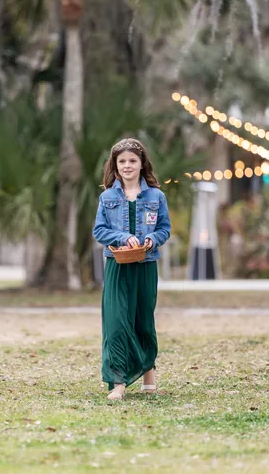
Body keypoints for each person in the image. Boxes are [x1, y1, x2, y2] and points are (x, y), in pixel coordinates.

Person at [92, 138, 172, 401]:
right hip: (117, 265)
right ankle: (118, 382)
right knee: (116, 323)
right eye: (122, 161)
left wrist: (153, 239)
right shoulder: (107, 197)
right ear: (115, 166)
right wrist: (123, 238)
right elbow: (99, 230)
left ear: (141, 164)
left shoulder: (156, 196)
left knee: (143, 321)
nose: (127, 166)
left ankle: (148, 373)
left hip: (146, 266)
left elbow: (164, 228)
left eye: (132, 161)